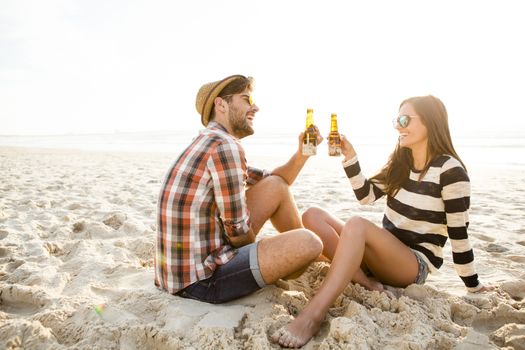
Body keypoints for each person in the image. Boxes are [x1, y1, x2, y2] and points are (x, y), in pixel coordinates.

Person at [272, 95, 493, 348]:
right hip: (380, 255)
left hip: (412, 264)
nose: (398, 126)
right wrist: (350, 157)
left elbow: (459, 235)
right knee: (312, 215)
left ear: (431, 123)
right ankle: (366, 282)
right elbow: (366, 196)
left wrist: (473, 284)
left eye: (404, 119)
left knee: (356, 224)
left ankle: (313, 315)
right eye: (396, 120)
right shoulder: (401, 162)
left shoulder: (451, 172)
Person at [154, 74, 323, 304]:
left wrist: (304, 152)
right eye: (246, 99)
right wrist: (268, 255)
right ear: (221, 104)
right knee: (308, 243)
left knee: (276, 186)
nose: (255, 107)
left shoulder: (212, 140)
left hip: (177, 276)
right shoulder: (225, 147)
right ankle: (305, 260)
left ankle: (303, 260)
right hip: (202, 282)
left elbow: (273, 181)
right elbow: (237, 232)